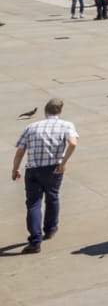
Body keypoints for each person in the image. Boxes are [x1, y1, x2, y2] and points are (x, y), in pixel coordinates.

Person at [11, 99, 77, 254]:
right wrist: (64, 162)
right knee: (52, 197)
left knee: (34, 204)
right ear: (60, 112)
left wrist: (15, 169)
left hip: (33, 170)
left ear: (45, 111)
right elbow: (73, 143)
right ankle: (50, 229)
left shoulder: (31, 127)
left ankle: (35, 241)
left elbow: (20, 151)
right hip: (54, 169)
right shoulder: (66, 125)